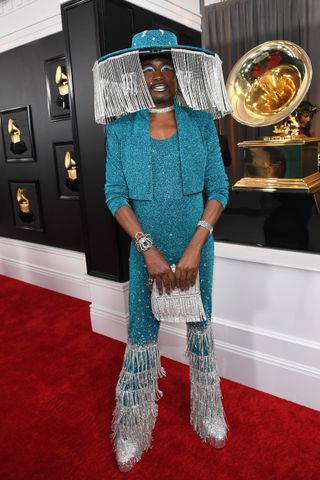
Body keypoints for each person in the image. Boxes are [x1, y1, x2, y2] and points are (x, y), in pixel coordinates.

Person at [93, 29, 232, 472]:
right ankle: (133, 424)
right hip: (144, 248)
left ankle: (208, 408)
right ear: (136, 75)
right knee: (141, 333)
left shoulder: (200, 122)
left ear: (179, 72)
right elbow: (115, 193)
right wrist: (148, 248)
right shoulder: (120, 128)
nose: (157, 76)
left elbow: (219, 189)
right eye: (148, 67)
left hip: (197, 245)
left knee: (200, 328)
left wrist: (195, 247)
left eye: (166, 67)